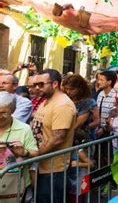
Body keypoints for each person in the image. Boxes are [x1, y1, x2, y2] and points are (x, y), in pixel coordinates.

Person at [29, 69, 76, 202]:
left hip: (54, 169)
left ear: (55, 84)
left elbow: (57, 138)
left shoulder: (63, 105)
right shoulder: (46, 101)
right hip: (41, 166)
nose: (37, 88)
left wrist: (33, 155)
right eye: (35, 84)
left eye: (41, 84)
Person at [0, 92, 38, 202]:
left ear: (12, 110)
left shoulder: (24, 129)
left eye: (4, 113)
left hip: (15, 184)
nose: (0, 116)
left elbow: (35, 153)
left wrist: (23, 152)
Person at [62, 74, 100, 141]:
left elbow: (96, 122)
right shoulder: (65, 99)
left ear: (80, 88)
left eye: (71, 89)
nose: (68, 91)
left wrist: (86, 127)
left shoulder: (88, 102)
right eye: (66, 89)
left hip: (84, 139)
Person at [95, 71, 117, 139]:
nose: (99, 82)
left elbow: (115, 115)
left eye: (102, 80)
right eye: (99, 79)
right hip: (98, 131)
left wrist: (104, 129)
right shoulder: (100, 94)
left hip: (110, 133)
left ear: (109, 82)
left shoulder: (116, 96)